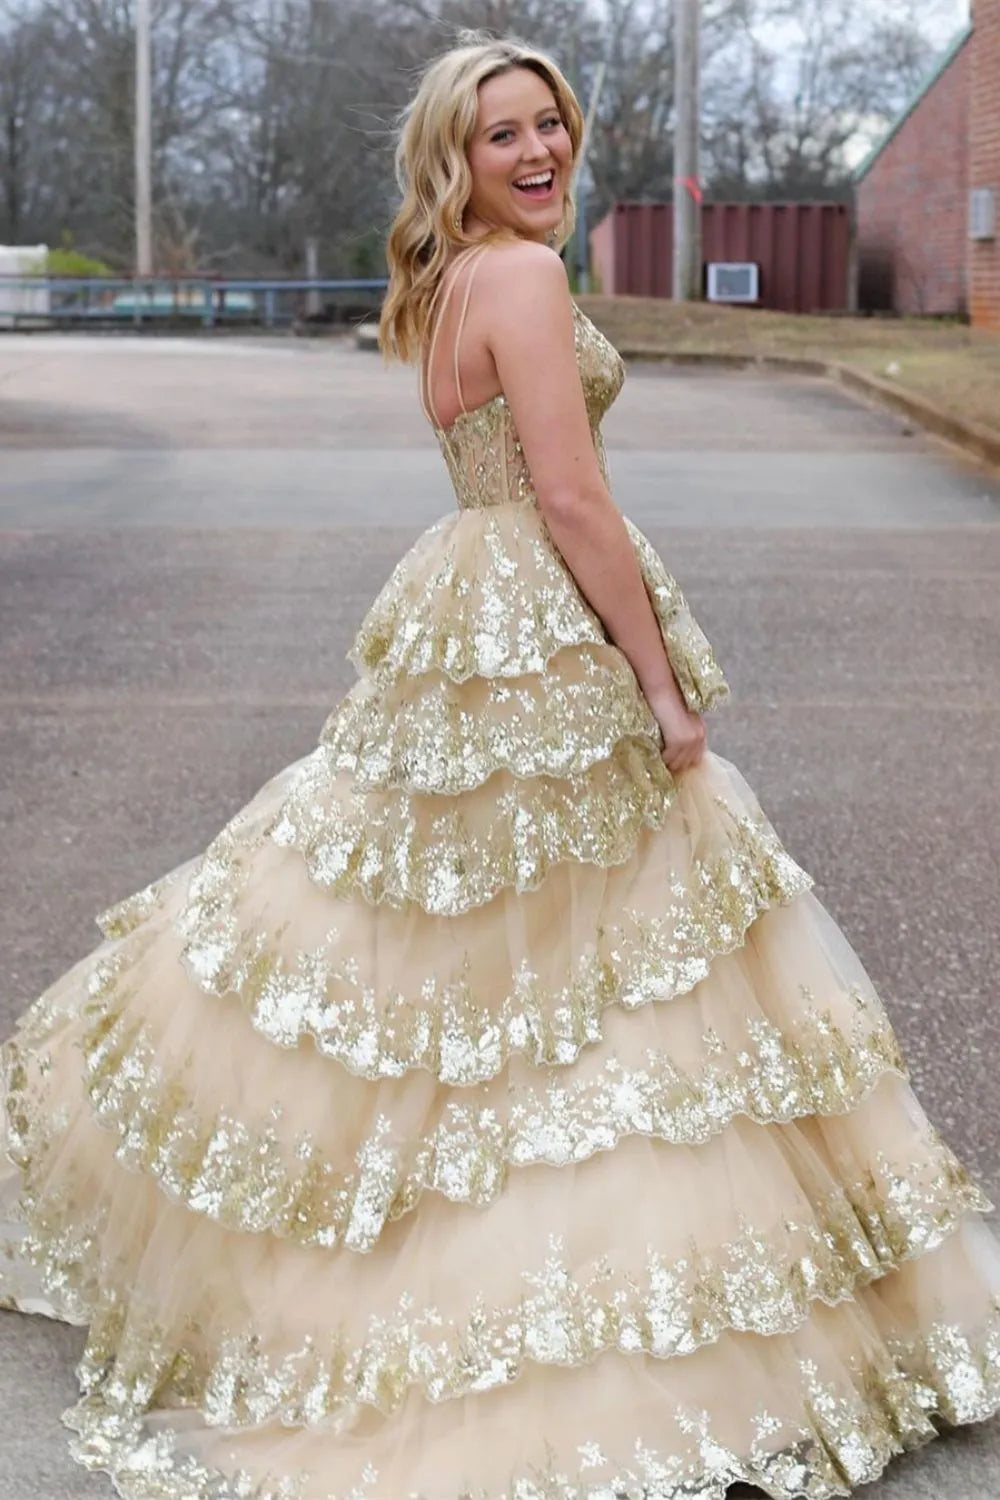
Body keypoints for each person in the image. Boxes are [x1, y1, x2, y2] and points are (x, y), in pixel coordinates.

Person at [2, 27, 999, 1500]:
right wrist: (658, 679)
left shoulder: (453, 277)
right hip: (535, 611)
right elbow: (574, 495)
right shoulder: (523, 276)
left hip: (468, 594)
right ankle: (556, 1292)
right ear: (455, 160)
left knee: (461, 947)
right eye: (501, 135)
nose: (537, 152)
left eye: (549, 124)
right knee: (603, 959)